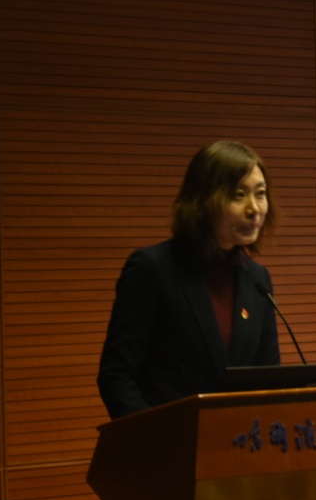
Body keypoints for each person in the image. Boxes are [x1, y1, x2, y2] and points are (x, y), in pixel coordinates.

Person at [97, 140, 281, 420]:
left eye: (260, 194)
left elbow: (269, 379)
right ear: (203, 200)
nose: (254, 208)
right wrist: (159, 437)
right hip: (165, 441)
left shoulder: (258, 279)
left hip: (237, 442)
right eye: (238, 195)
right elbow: (117, 376)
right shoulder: (153, 268)